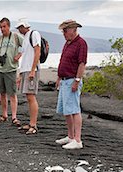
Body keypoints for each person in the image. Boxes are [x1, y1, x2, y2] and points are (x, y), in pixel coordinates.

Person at [55, 20, 88, 150]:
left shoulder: (81, 43)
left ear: (73, 30)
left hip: (72, 80)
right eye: (63, 30)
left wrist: (77, 80)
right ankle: (70, 136)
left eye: (65, 30)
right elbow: (63, 60)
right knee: (67, 111)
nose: (63, 33)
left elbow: (82, 63)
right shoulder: (67, 43)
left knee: (74, 109)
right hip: (64, 80)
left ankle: (78, 140)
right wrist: (59, 77)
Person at [0, 17, 23, 126]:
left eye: (4, 26)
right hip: (0, 69)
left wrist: (19, 55)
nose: (2, 29)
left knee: (12, 94)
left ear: (9, 26)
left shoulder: (15, 37)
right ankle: (4, 115)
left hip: (11, 69)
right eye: (1, 27)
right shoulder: (0, 38)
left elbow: (26, 47)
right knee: (2, 93)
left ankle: (14, 117)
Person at [16, 18, 41, 135]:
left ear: (26, 26)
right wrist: (20, 74)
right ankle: (31, 123)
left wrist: (32, 70)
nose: (20, 29)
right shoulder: (25, 37)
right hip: (26, 69)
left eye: (21, 27)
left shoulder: (34, 34)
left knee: (31, 97)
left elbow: (37, 52)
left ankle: (34, 125)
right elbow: (25, 57)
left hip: (32, 70)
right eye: (19, 28)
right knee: (28, 96)